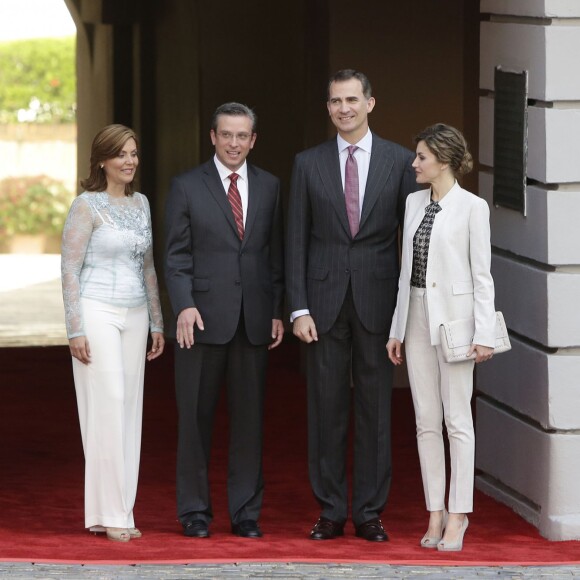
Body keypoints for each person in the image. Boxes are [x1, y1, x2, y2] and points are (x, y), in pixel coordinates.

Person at [286, 69, 416, 542]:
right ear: (328, 107)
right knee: (326, 407)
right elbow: (295, 238)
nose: (344, 108)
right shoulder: (308, 163)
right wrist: (298, 307)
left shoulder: (401, 162)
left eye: (352, 99)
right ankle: (330, 509)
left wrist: (406, 314)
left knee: (376, 409)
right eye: (336, 101)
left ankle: (369, 512)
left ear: (370, 103)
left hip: (379, 304)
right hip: (320, 306)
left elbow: (412, 241)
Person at [165, 102, 284, 539]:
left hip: (253, 320)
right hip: (199, 322)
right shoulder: (186, 186)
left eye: (242, 136)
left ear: (253, 140)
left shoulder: (271, 186)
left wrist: (275, 310)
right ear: (212, 137)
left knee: (249, 421)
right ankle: (195, 510)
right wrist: (184, 304)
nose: (234, 143)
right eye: (226, 135)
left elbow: (274, 254)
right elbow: (175, 256)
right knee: (195, 420)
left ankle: (246, 512)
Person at [386, 123, 496, 552]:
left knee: (457, 422)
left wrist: (484, 333)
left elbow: (482, 276)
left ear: (444, 161)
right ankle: (434, 510)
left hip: (456, 323)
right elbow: (404, 274)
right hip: (414, 316)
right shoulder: (414, 202)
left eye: (421, 158)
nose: (414, 164)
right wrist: (398, 328)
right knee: (425, 421)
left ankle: (458, 514)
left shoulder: (473, 208)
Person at [61, 124, 165, 543]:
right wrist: (75, 328)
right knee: (108, 404)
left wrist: (157, 321)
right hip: (96, 308)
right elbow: (69, 268)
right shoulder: (86, 206)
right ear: (102, 159)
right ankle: (111, 513)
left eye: (134, 153)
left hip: (136, 312)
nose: (129, 161)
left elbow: (148, 267)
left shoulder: (141, 204)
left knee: (128, 411)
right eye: (120, 154)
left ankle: (120, 509)